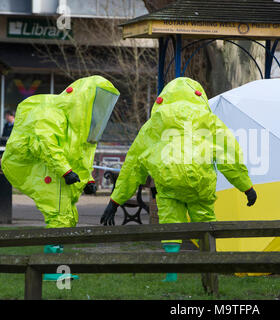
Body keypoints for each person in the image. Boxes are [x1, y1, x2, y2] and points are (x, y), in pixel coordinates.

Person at [100, 77, 257, 282]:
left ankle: (171, 274)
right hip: (200, 183)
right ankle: (210, 271)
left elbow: (134, 164)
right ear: (199, 96)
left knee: (171, 226)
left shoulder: (154, 123)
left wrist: (115, 200)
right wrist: (246, 187)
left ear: (163, 99)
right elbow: (229, 155)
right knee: (205, 225)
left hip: (168, 184)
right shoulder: (209, 120)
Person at [1, 75, 120, 280]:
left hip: (59, 171)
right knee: (58, 215)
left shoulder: (81, 126)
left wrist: (88, 180)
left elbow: (82, 156)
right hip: (44, 168)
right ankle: (51, 270)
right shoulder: (51, 114)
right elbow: (49, 147)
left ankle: (58, 269)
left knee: (68, 217)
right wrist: (66, 171)